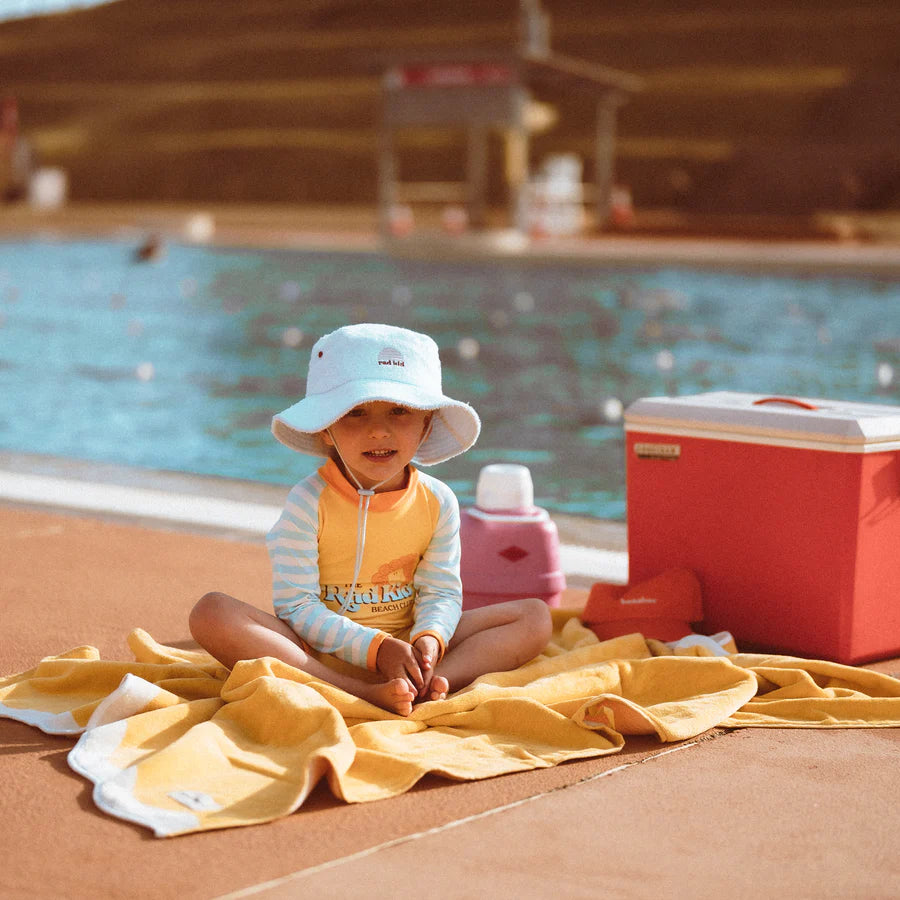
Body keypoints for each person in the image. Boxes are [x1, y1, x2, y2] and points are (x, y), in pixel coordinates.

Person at [190, 323, 552, 716]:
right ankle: (352, 691)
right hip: (316, 650)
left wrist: (430, 641)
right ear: (326, 428)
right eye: (356, 412)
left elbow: (441, 592)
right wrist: (375, 651)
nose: (378, 430)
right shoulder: (308, 502)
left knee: (534, 617)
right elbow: (297, 607)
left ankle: (434, 678)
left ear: (426, 424)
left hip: (408, 641)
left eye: (399, 411)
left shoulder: (437, 501)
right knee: (211, 612)